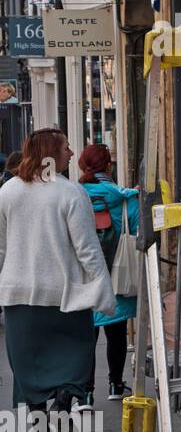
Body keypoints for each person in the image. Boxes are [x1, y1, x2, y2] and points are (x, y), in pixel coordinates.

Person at [0, 128, 116, 413]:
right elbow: (87, 248)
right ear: (51, 153)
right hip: (65, 294)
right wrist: (102, 285)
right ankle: (63, 400)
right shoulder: (70, 192)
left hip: (19, 294)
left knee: (28, 361)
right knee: (75, 353)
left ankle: (37, 414)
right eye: (66, 148)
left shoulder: (7, 191)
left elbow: (1, 246)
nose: (72, 153)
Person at [78, 143, 140, 401]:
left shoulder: (74, 195)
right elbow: (138, 232)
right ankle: (115, 384)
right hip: (118, 275)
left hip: (83, 277)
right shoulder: (126, 198)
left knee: (85, 338)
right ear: (109, 166)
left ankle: (86, 393)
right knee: (116, 333)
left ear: (83, 165)